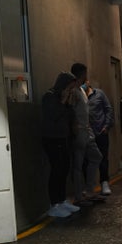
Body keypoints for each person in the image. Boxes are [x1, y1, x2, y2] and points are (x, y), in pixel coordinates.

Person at [40, 72, 80, 218]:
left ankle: (62, 200)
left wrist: (68, 103)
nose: (70, 91)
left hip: (64, 139)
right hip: (52, 139)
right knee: (56, 170)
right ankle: (54, 204)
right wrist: (63, 101)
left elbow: (70, 116)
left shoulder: (64, 99)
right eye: (69, 88)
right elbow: (53, 116)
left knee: (64, 169)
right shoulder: (49, 97)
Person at [69, 63, 104, 206]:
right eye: (85, 73)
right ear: (81, 74)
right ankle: (79, 195)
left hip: (86, 130)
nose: (87, 76)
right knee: (77, 164)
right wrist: (74, 127)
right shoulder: (73, 91)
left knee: (96, 156)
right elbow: (70, 110)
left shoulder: (81, 90)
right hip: (79, 131)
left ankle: (89, 190)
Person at [85, 80, 114, 195]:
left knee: (103, 157)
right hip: (87, 133)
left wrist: (106, 126)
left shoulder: (99, 94)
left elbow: (108, 109)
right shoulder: (79, 95)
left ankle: (104, 182)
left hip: (100, 131)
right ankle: (88, 186)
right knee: (86, 160)